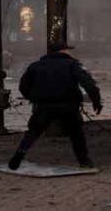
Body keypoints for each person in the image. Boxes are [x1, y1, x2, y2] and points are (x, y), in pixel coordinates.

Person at [8, 42, 103, 170]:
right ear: (63, 51)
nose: (71, 52)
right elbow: (89, 84)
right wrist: (96, 102)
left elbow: (23, 87)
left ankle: (19, 155)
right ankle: (84, 161)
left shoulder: (35, 66)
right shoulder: (73, 65)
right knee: (76, 135)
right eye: (68, 50)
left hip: (43, 106)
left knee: (32, 133)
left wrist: (35, 98)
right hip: (68, 106)